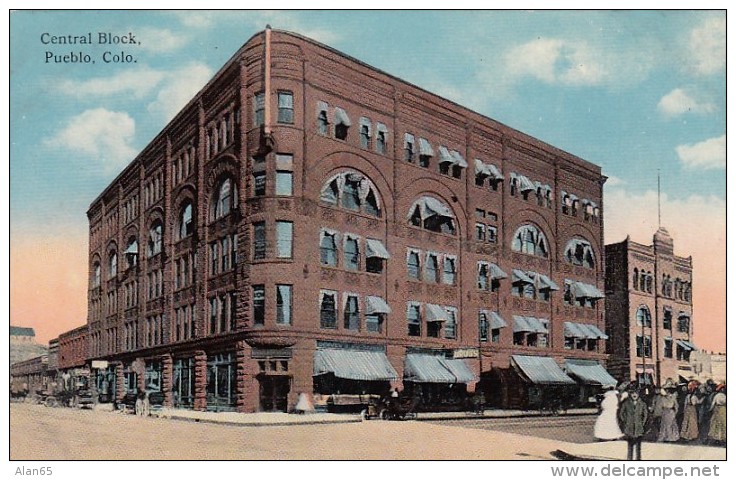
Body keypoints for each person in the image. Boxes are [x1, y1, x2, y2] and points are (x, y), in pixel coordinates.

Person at [618, 384, 649, 460]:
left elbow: (645, 414)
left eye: (636, 393)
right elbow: (621, 413)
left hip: (639, 428)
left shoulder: (642, 404)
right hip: (629, 428)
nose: (634, 395)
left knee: (638, 446)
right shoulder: (626, 403)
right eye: (632, 393)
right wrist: (625, 421)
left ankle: (638, 459)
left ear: (638, 394)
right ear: (630, 394)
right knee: (630, 446)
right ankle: (630, 459)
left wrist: (642, 423)